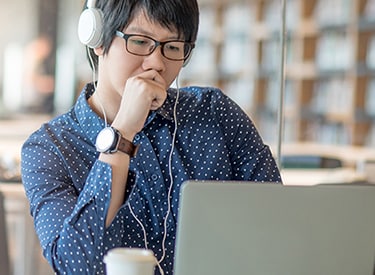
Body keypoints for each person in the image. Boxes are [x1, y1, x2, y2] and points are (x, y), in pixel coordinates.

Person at [21, 0, 282, 274]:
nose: (156, 63)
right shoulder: (49, 148)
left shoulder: (216, 114)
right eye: (140, 41)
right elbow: (77, 265)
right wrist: (122, 132)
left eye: (172, 47)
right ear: (98, 40)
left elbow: (279, 226)